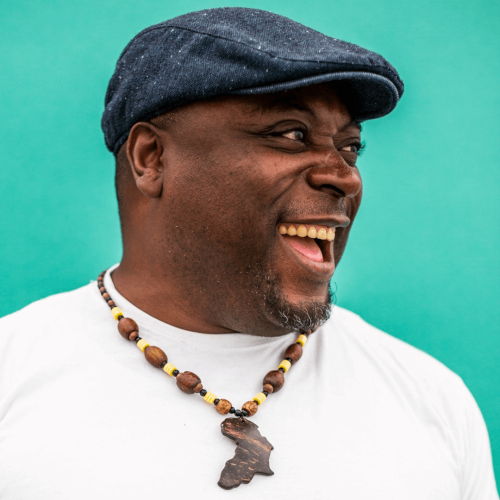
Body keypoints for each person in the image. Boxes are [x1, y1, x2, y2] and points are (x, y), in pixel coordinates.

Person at [0, 7, 497, 499]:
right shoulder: (14, 374)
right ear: (151, 158)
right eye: (291, 134)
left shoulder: (430, 397)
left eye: (350, 147)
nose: (344, 176)